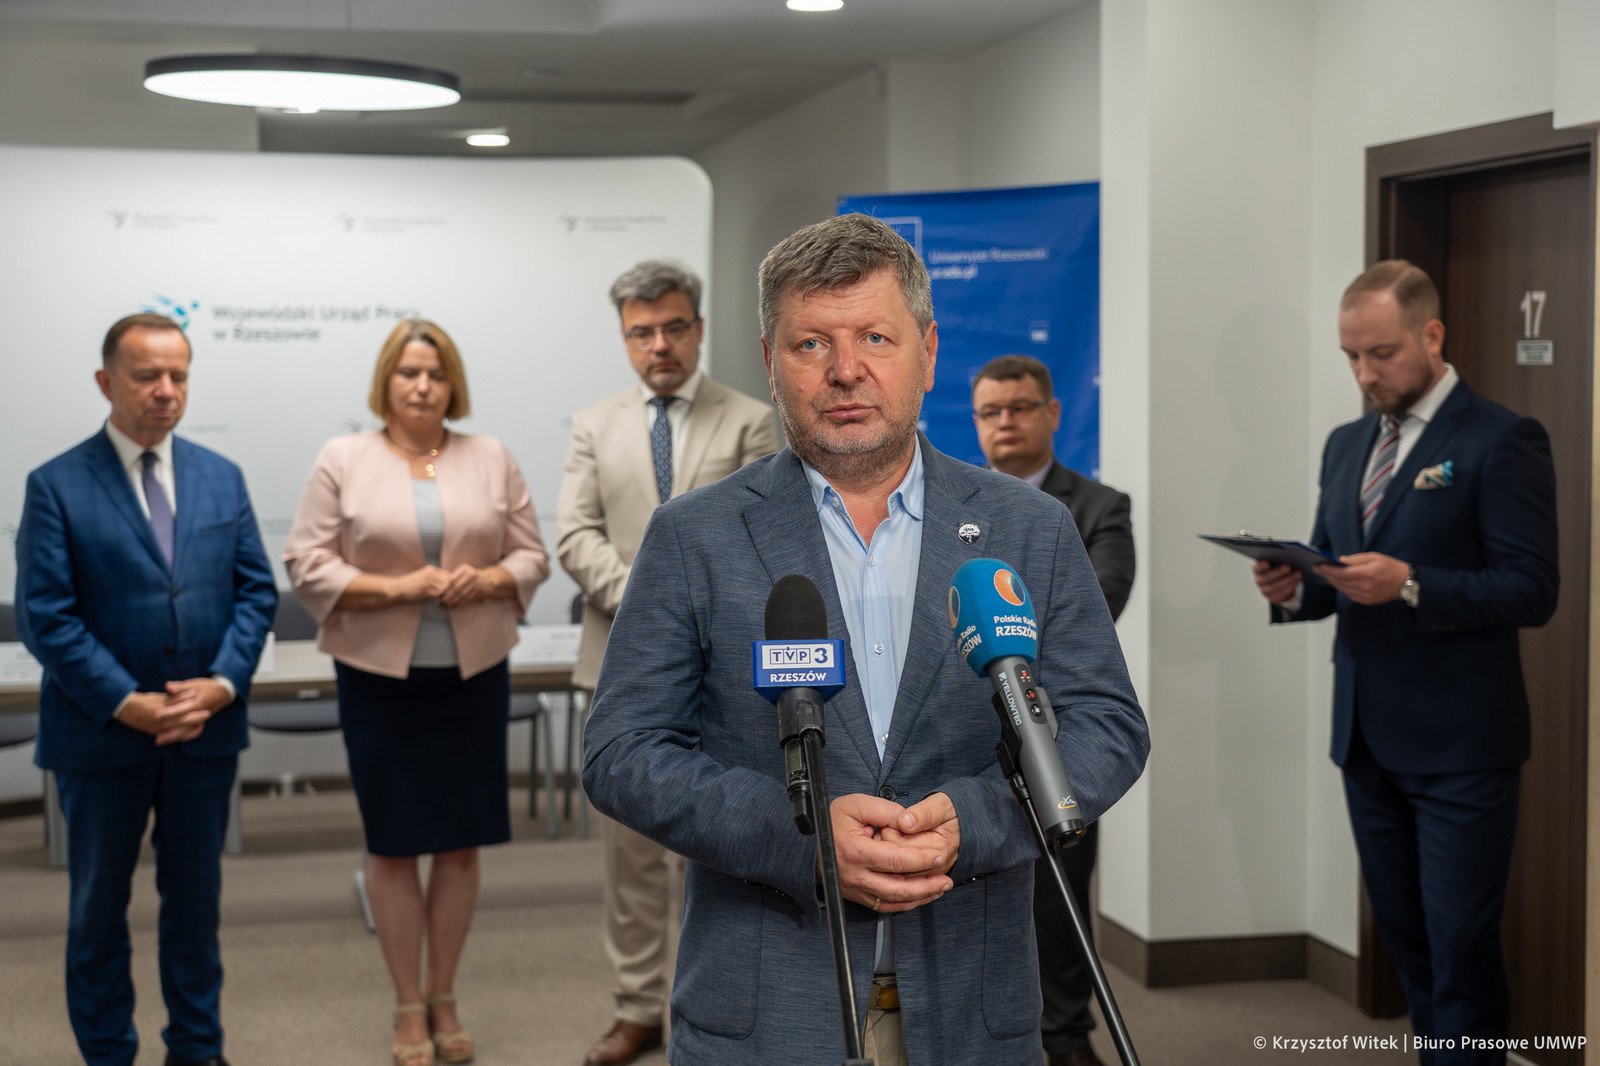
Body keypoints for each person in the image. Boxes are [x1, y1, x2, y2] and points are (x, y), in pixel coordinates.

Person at [582, 214, 1149, 1066]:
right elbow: (621, 752)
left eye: (876, 338)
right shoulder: (694, 536)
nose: (846, 369)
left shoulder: (1029, 528)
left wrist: (973, 821)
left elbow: (1106, 727)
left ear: (928, 351)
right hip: (767, 1011)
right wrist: (799, 837)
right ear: (770, 360)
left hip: (973, 1005)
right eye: (812, 343)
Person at [1252, 260, 1558, 1065]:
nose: (1364, 374)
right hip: (1366, 741)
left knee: (1461, 945)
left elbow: (1534, 590)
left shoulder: (1502, 439)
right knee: (1409, 940)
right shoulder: (1347, 443)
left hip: (1463, 748)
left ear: (1432, 335)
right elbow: (1337, 575)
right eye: (1351, 356)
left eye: (1381, 354)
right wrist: (1293, 588)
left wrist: (1414, 582)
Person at [284, 319, 550, 1066]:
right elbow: (306, 562)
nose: (423, 386)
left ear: (452, 383)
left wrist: (489, 577)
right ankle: (407, 1005)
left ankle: (444, 996)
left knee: (461, 842)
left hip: (473, 675)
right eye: (408, 373)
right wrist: (392, 589)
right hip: (379, 680)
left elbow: (532, 557)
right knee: (395, 843)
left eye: (436, 373)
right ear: (386, 382)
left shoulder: (490, 455)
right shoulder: (344, 457)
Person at [15, 312, 277, 1066]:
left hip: (203, 733)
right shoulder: (56, 485)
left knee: (194, 909)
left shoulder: (220, 476)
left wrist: (222, 684)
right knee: (98, 911)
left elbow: (256, 593)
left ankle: (197, 1048)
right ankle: (107, 1053)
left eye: (179, 376)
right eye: (147, 376)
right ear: (107, 382)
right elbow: (46, 616)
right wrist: (126, 702)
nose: (166, 390)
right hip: (100, 738)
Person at [557, 259, 779, 1066]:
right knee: (632, 857)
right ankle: (636, 1007)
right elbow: (574, 532)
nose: (660, 345)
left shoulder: (751, 420)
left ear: (699, 329)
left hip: (726, 676)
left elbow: (762, 536)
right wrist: (648, 598)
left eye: (674, 327)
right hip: (620, 666)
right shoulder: (594, 425)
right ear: (626, 339)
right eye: (642, 332)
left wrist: (682, 608)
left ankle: (715, 1005)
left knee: (722, 843)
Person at [972, 354, 1135, 1066]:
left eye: (1019, 408)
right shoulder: (951, 505)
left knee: (1058, 900)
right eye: (990, 412)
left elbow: (1097, 602)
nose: (1005, 422)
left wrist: (996, 621)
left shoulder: (1098, 506)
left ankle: (1065, 1038)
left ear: (1052, 413)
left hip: (1058, 738)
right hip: (960, 737)